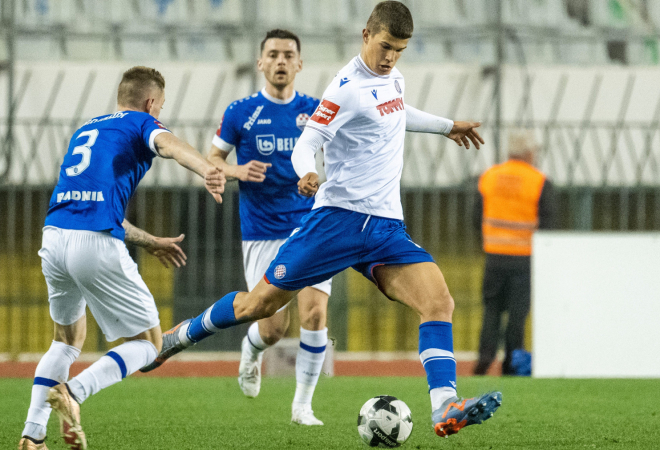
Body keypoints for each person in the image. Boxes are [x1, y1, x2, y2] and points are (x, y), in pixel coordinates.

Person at [146, 1, 501, 439]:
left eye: (400, 50)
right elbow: (306, 142)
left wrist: (446, 126)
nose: (391, 57)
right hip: (337, 222)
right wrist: (306, 172)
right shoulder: (344, 88)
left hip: (385, 228)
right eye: (385, 46)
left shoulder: (393, 78)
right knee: (260, 308)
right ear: (366, 34)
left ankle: (445, 406)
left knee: (439, 302)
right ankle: (177, 338)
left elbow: (396, 110)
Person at [17, 66, 225, 450]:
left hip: (55, 238)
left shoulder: (88, 129)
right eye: (160, 107)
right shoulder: (141, 123)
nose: (160, 113)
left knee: (66, 340)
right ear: (151, 102)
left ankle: (33, 436)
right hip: (93, 244)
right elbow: (171, 145)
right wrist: (207, 169)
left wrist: (149, 240)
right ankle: (73, 391)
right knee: (149, 345)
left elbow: (101, 209)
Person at [206, 29, 332, 426]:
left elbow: (337, 156)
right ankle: (252, 349)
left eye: (288, 55)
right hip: (262, 231)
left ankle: (302, 407)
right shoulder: (240, 112)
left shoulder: (316, 110)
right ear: (260, 62)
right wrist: (237, 170)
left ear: (299, 64)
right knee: (274, 327)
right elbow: (213, 160)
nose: (281, 61)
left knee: (315, 314)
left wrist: (317, 178)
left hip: (310, 225)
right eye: (273, 54)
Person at [473, 130, 555, 376]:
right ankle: (511, 364)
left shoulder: (489, 176)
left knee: (491, 310)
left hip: (494, 256)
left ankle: (484, 359)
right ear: (530, 153)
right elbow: (550, 224)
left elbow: (475, 216)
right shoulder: (539, 181)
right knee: (517, 315)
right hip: (524, 258)